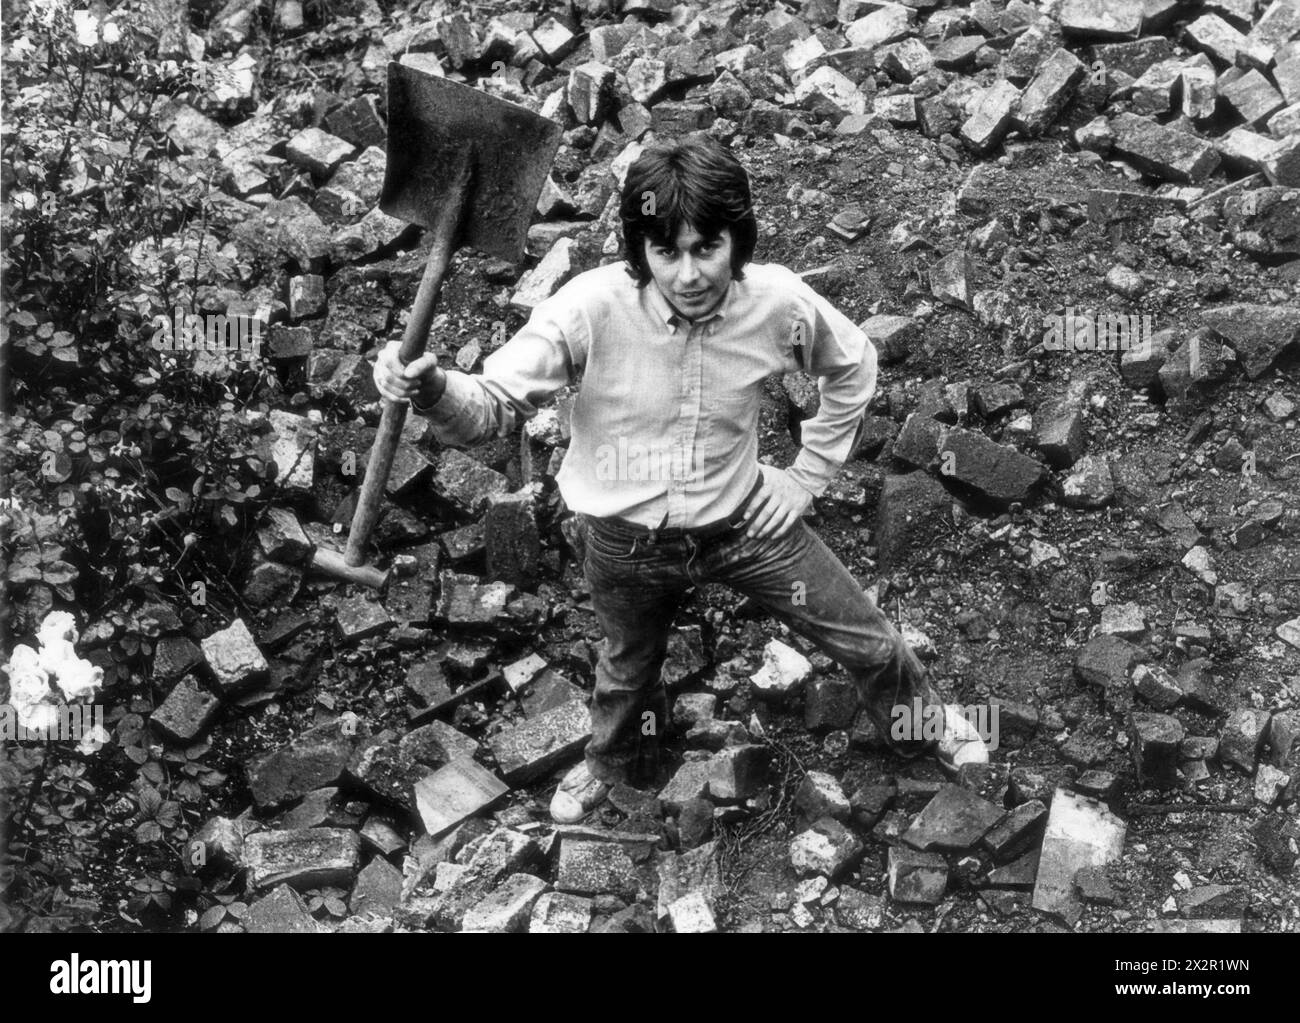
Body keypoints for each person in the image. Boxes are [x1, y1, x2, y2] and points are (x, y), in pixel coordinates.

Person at [373, 134, 987, 825]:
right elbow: (488, 409)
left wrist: (806, 476)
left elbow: (852, 366)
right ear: (641, 251)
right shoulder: (588, 308)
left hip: (745, 527)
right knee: (628, 668)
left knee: (869, 639)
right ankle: (609, 766)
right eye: (667, 252)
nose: (689, 272)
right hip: (626, 541)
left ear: (738, 239)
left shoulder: (778, 303)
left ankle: (922, 726)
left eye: (707, 248)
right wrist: (430, 390)